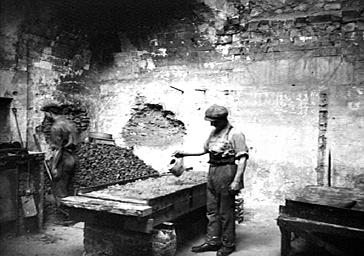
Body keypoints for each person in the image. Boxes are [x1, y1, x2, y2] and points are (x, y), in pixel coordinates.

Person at [174, 104, 249, 256]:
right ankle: (213, 241)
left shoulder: (235, 134)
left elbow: (242, 159)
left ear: (223, 119)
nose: (211, 123)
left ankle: (228, 244)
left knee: (225, 211)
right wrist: (184, 153)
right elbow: (204, 150)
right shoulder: (213, 133)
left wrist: (236, 181)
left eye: (214, 121)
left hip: (227, 171)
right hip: (213, 171)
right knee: (212, 210)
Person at [41, 103, 78, 206]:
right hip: (72, 157)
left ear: (50, 113)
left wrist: (54, 167)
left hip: (63, 159)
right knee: (67, 186)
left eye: (46, 114)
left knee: (60, 188)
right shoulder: (70, 123)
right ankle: (68, 215)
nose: (46, 116)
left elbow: (58, 149)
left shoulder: (56, 127)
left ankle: (63, 215)